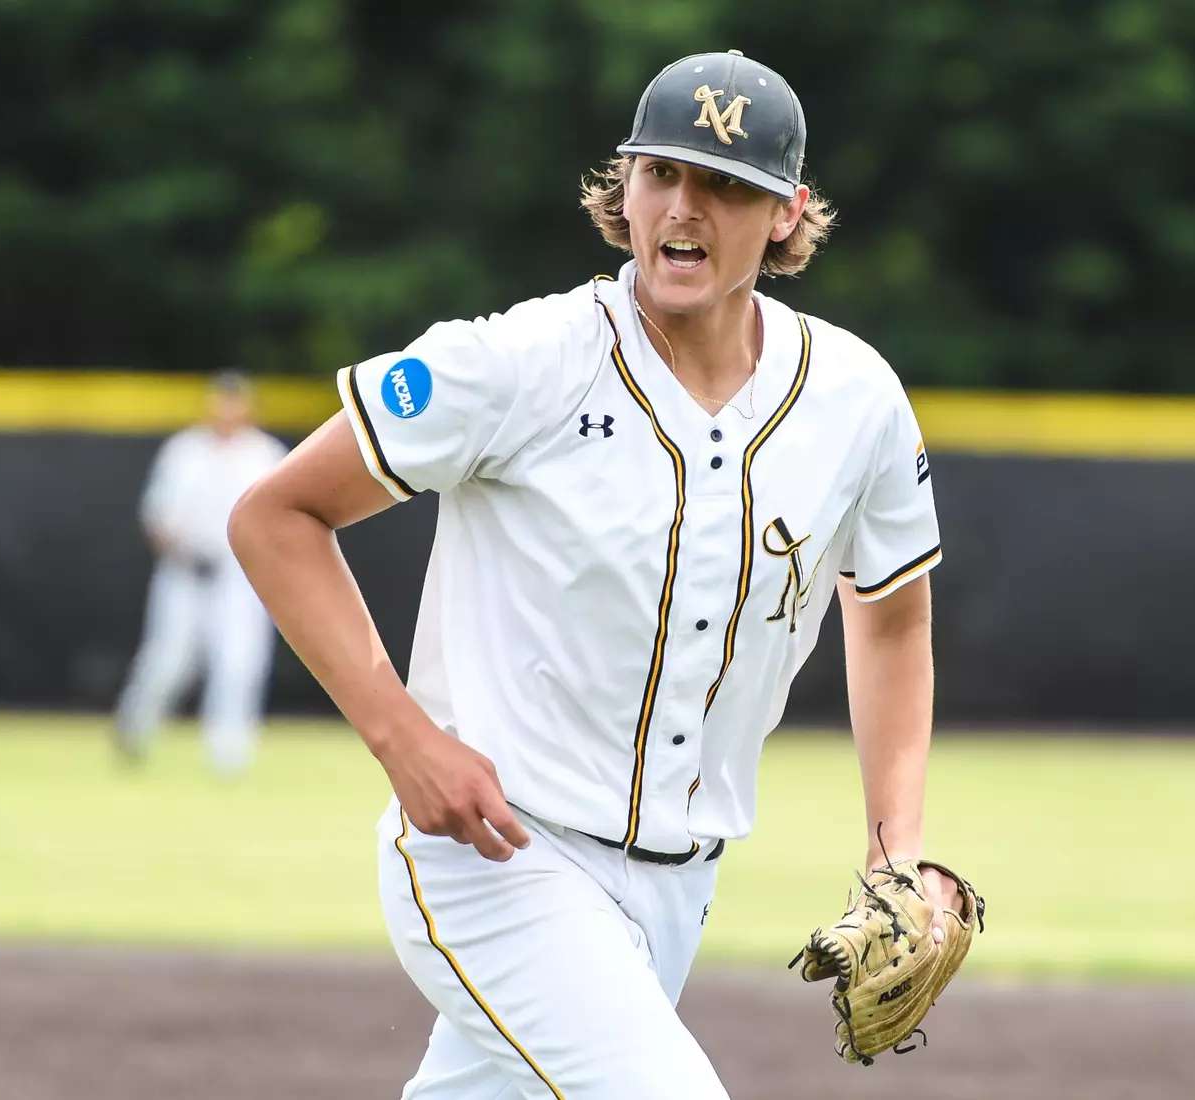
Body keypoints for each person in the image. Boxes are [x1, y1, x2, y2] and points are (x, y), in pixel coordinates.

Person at [230, 49, 962, 1098]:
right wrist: (404, 739)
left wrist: (897, 847)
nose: (685, 206)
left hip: (679, 888)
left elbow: (890, 614)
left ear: (788, 213)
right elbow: (276, 513)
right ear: (622, 187)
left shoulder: (855, 398)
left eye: (726, 184)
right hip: (496, 858)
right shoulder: (525, 361)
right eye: (662, 172)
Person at [114, 371, 288, 775]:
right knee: (167, 662)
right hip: (185, 571)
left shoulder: (265, 454)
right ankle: (134, 731)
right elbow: (156, 515)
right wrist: (172, 541)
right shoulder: (185, 450)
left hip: (239, 575)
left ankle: (228, 756)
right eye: (220, 401)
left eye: (235, 401)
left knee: (238, 665)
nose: (226, 409)